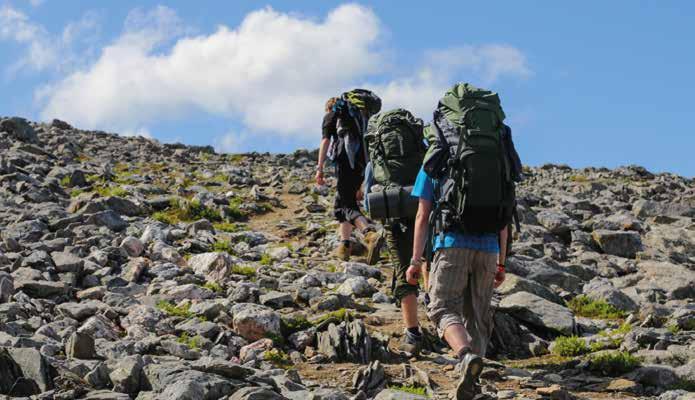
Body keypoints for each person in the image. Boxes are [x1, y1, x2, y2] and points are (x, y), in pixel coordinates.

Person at [408, 166, 508, 398]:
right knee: (478, 314)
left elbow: (423, 215)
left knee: (442, 307)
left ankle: (465, 356)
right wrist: (501, 262)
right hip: (489, 249)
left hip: (452, 243)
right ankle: (473, 382)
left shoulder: (437, 157)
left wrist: (415, 260)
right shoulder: (497, 161)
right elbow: (505, 217)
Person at [317, 96, 381, 262]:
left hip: (345, 162)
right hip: (360, 163)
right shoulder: (358, 120)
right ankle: (344, 246)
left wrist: (320, 168)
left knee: (347, 206)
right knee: (341, 204)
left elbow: (325, 141)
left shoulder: (331, 116)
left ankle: (369, 234)